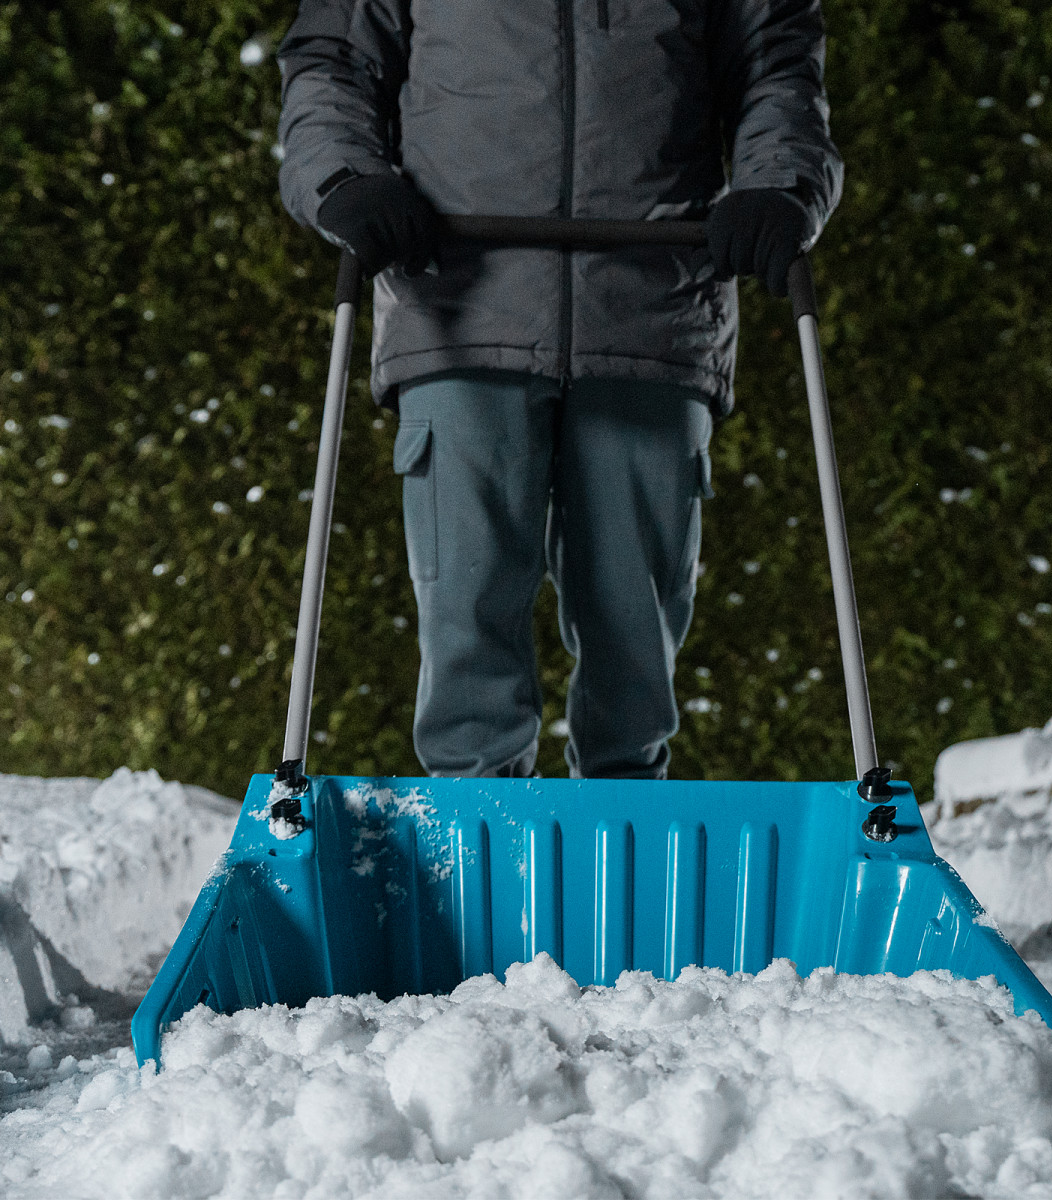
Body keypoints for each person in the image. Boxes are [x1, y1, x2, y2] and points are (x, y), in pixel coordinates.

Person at [276, 0, 842, 780]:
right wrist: (344, 178)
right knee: (467, 632)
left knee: (635, 645)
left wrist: (779, 185)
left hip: (651, 311)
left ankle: (626, 842)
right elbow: (334, 61)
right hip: (461, 304)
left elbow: (775, 63)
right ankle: (479, 844)